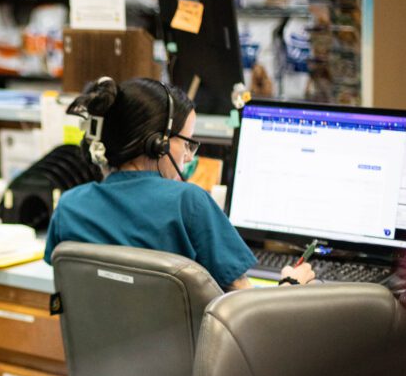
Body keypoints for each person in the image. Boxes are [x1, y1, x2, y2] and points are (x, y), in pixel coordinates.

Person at [44, 76, 315, 290]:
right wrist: (290, 286)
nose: (188, 156)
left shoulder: (69, 207)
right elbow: (247, 309)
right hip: (187, 361)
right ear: (158, 143)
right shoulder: (189, 202)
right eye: (187, 143)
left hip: (98, 360)